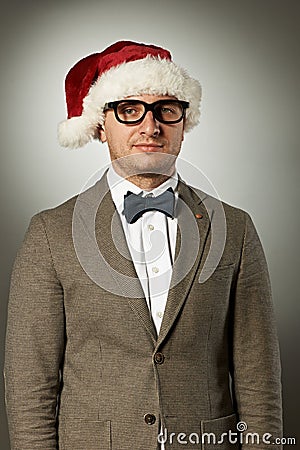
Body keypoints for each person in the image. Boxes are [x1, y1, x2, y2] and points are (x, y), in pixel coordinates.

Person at [4, 41, 282, 450]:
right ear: (101, 125)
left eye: (166, 110)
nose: (150, 127)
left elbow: (259, 377)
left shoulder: (235, 229)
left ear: (184, 123)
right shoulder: (50, 232)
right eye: (129, 110)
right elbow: (31, 383)